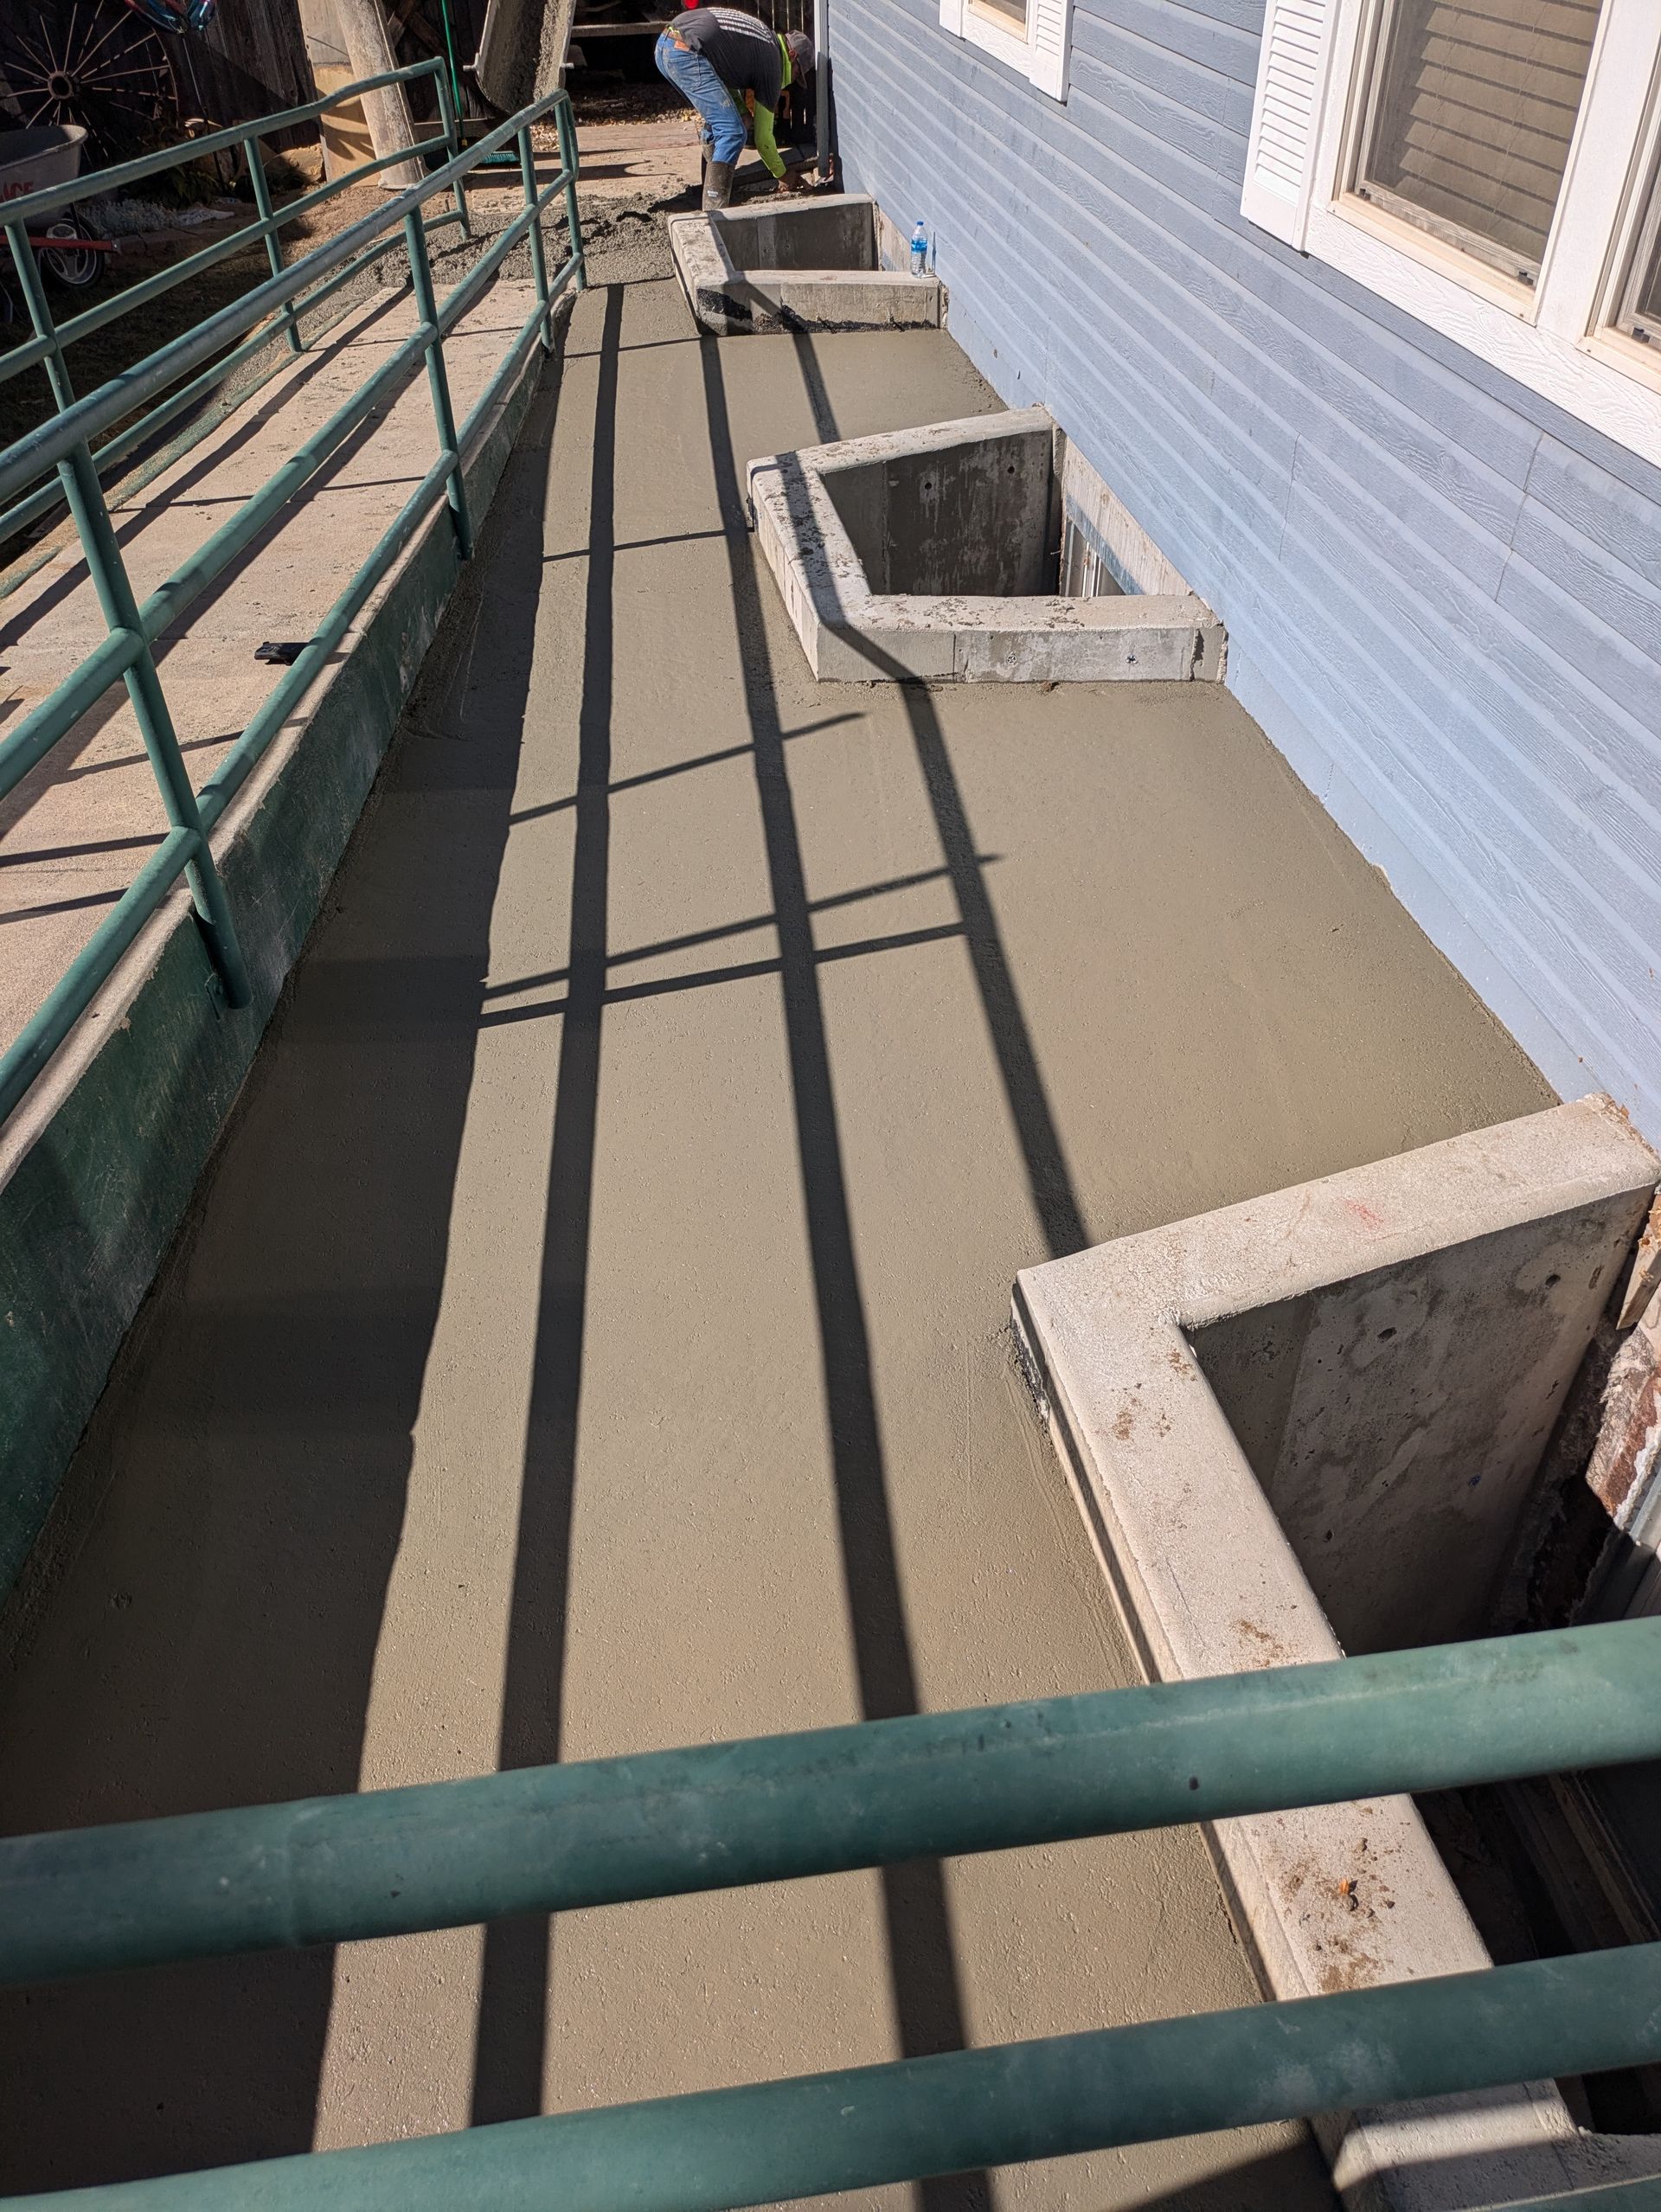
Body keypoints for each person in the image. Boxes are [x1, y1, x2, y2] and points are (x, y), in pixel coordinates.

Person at [656, 8, 814, 211]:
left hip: (666, 45)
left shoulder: (764, 41)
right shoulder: (773, 62)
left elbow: (723, 72)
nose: (792, 81)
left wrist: (741, 110)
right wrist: (783, 174)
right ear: (791, 55)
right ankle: (715, 208)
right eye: (797, 74)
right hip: (687, 52)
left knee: (723, 122)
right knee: (732, 131)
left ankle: (709, 190)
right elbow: (763, 140)